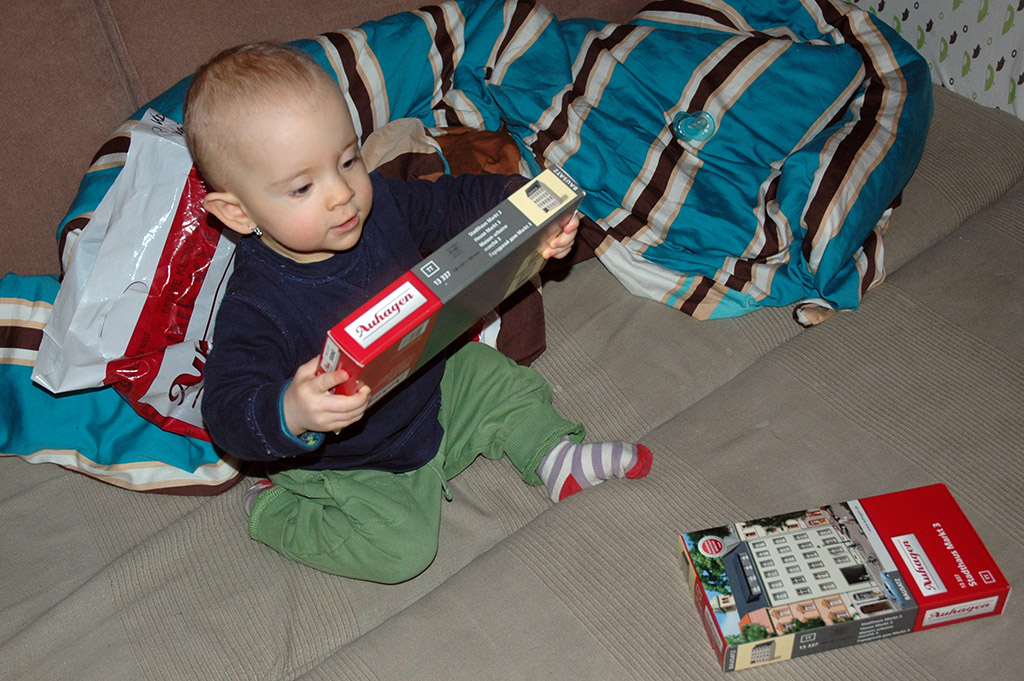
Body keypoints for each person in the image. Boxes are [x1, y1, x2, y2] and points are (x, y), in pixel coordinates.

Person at [185, 42, 651, 583]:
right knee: (402, 552)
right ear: (237, 212)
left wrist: (523, 206)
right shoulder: (257, 303)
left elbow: (449, 203)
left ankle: (555, 458)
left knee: (496, 375)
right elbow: (225, 408)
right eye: (303, 186)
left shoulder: (379, 205)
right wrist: (290, 411)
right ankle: (273, 509)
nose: (342, 194)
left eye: (347, 160)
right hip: (353, 462)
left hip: (431, 388)